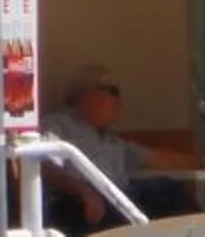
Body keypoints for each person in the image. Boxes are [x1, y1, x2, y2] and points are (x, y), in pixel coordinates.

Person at [42, 66, 192, 232]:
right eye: (111, 92)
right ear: (84, 94)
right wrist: (82, 191)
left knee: (166, 189)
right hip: (76, 204)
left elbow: (161, 158)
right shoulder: (58, 125)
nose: (118, 101)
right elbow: (45, 167)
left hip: (117, 202)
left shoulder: (113, 142)